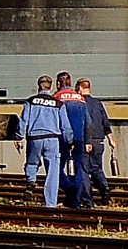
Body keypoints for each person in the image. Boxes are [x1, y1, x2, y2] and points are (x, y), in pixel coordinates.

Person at [16, 74, 72, 208]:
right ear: (51, 87)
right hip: (52, 139)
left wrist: (19, 137)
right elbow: (65, 125)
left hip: (34, 139)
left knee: (31, 162)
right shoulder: (58, 104)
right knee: (53, 172)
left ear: (38, 86)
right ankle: (50, 203)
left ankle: (31, 180)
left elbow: (23, 120)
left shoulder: (30, 101)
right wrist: (69, 141)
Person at [54, 71, 92, 208]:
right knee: (79, 169)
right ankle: (75, 201)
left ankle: (69, 188)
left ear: (58, 84)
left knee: (56, 167)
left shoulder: (57, 98)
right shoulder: (80, 99)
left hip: (62, 138)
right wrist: (87, 140)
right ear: (70, 83)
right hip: (80, 139)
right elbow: (88, 122)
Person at [78, 78, 115, 204]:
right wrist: (111, 140)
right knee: (97, 168)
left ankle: (87, 198)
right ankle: (104, 187)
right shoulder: (98, 104)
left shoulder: (80, 103)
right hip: (99, 140)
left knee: (84, 169)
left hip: (85, 141)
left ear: (79, 88)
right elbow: (106, 123)